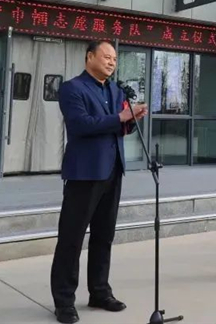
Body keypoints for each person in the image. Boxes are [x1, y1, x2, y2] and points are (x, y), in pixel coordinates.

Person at [51, 40, 148, 324]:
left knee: (104, 236)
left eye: (115, 59)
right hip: (84, 173)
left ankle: (100, 292)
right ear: (89, 57)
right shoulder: (72, 88)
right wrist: (120, 117)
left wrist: (131, 120)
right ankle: (64, 302)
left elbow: (119, 127)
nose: (111, 62)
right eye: (106, 57)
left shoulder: (116, 90)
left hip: (113, 171)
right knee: (71, 239)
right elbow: (80, 124)